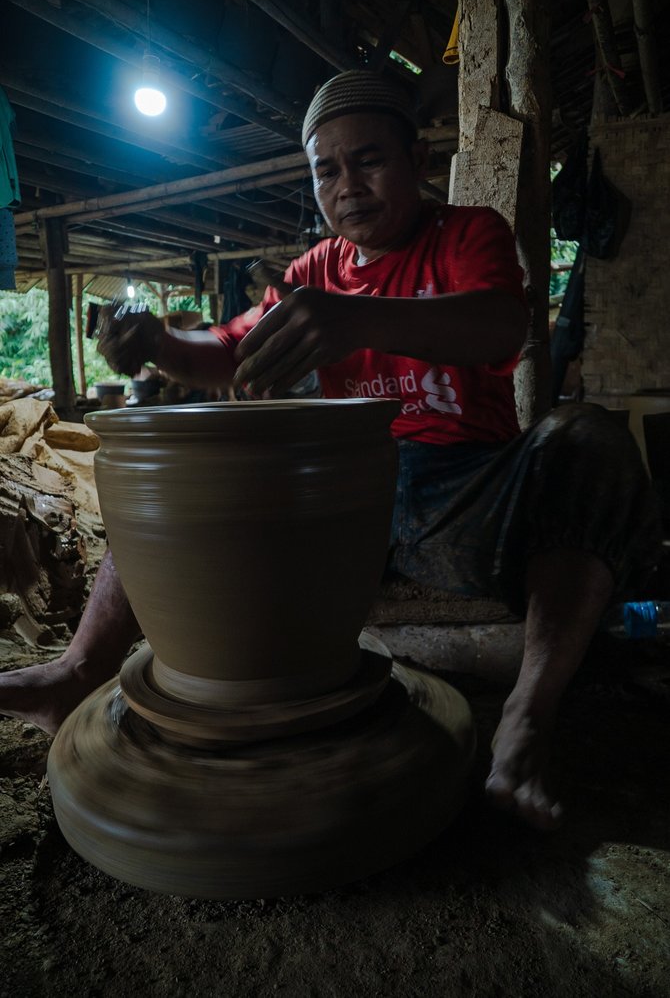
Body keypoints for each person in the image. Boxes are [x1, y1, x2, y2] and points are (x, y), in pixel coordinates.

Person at [0, 71, 661, 830]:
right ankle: (78, 669)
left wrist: (357, 320)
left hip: (467, 494)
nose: (348, 185)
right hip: (351, 506)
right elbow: (225, 350)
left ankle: (527, 717)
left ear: (416, 161)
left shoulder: (467, 233)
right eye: (327, 169)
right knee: (181, 469)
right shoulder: (313, 272)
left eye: (369, 159)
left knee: (588, 438)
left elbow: (501, 326)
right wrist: (155, 343)